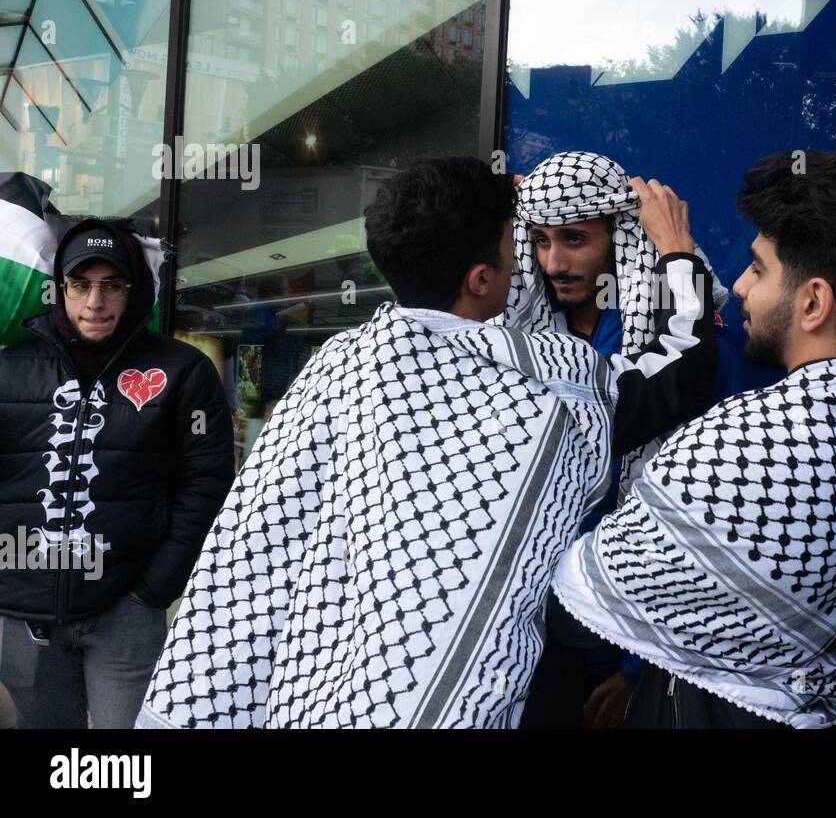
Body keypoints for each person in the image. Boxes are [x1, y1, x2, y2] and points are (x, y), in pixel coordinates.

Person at [136, 156, 717, 728]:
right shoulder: (551, 384)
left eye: (567, 238)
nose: (540, 261)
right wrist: (677, 253)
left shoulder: (337, 366)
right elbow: (680, 372)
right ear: (483, 279)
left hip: (320, 696)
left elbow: (262, 539)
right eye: (524, 241)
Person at [552, 150, 836, 728]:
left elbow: (572, 606)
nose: (738, 285)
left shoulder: (736, 448)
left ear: (812, 303)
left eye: (757, 269)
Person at [503, 151, 745, 728]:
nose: (554, 261)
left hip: (636, 639)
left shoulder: (706, 360)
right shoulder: (526, 346)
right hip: (534, 627)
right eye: (538, 241)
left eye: (573, 239)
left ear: (622, 238)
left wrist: (639, 671)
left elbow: (699, 524)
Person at [0, 218, 234, 728]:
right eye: (80, 285)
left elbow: (208, 485)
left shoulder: (184, 371)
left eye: (112, 285)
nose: (94, 303)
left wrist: (154, 589)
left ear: (136, 289)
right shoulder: (9, 367)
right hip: (22, 612)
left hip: (126, 609)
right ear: (60, 289)